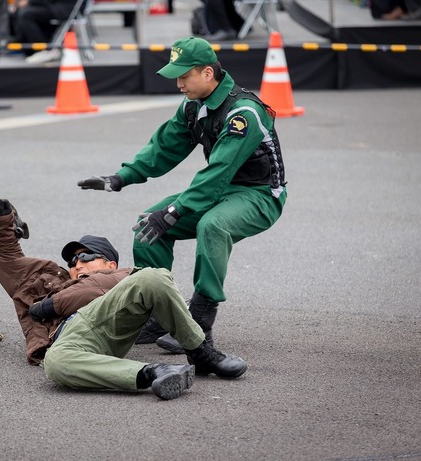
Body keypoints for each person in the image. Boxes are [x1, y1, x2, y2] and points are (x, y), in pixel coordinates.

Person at [77, 36, 286, 358]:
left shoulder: (244, 112)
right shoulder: (193, 106)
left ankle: (201, 322)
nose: (178, 83)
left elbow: (219, 169)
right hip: (221, 189)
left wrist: (176, 210)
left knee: (213, 226)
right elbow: (163, 149)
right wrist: (119, 178)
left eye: (184, 76)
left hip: (259, 194)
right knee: (148, 227)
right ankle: (161, 314)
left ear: (207, 73)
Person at [0, 198, 247, 400]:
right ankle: (153, 372)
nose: (77, 264)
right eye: (72, 261)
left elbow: (112, 286)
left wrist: (55, 304)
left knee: (155, 277)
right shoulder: (48, 279)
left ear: (110, 264)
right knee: (55, 364)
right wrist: (0, 218)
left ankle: (200, 352)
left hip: (110, 320)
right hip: (68, 337)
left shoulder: (121, 276)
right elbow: (8, 257)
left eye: (86, 256)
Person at [11, 0, 78, 64]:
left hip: (64, 8)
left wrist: (29, 2)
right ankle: (27, 49)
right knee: (19, 12)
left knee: (25, 15)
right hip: (53, 5)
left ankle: (41, 49)